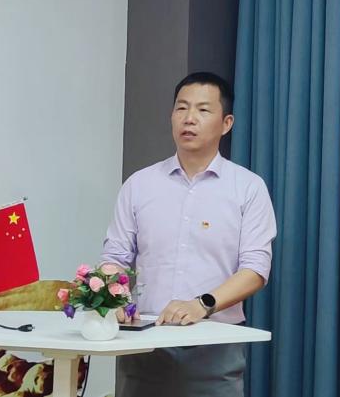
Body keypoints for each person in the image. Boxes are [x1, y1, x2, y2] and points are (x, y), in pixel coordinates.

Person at [100, 72, 277, 397]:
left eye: (203, 110)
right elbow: (115, 257)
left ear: (226, 123)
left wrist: (202, 304)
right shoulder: (139, 185)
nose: (189, 118)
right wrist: (115, 299)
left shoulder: (248, 188)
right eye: (181, 108)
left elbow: (255, 270)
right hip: (146, 341)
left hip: (215, 343)